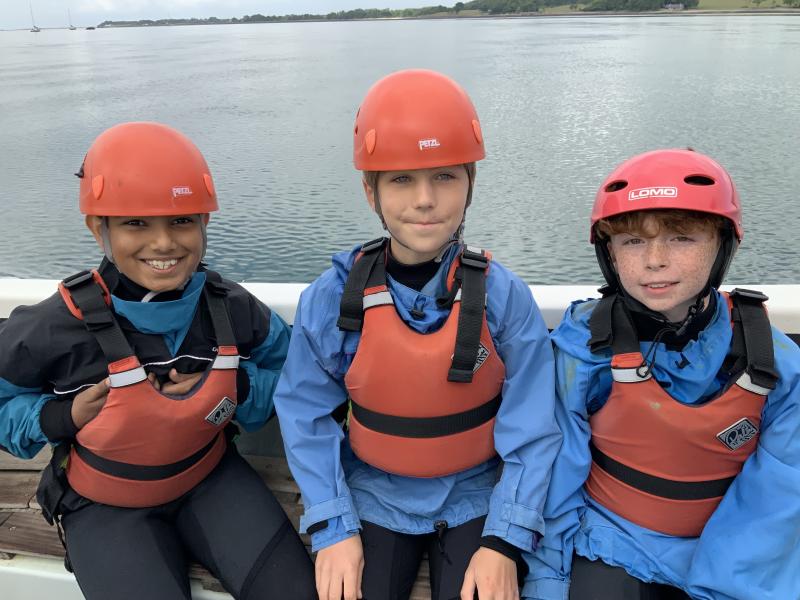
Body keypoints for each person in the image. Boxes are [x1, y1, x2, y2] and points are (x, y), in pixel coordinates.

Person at [273, 68, 561, 600]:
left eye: (445, 176)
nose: (425, 199)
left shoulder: (502, 296)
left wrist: (503, 541)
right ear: (371, 191)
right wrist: (334, 526)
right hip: (374, 493)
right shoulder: (334, 300)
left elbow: (534, 426)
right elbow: (304, 412)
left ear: (471, 184)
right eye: (401, 179)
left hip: (479, 495)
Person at [0, 122, 316, 600]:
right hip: (104, 503)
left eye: (182, 221)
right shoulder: (52, 326)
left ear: (204, 223)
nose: (164, 243)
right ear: (98, 228)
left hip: (212, 478)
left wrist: (238, 387)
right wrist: (63, 416)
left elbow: (298, 374)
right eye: (135, 223)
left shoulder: (230, 308)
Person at [523, 149, 800, 600]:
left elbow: (781, 493)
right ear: (609, 253)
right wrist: (547, 582)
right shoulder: (582, 351)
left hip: (736, 557)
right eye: (632, 241)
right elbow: (555, 477)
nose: (655, 259)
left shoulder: (775, 363)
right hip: (613, 540)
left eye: (682, 238)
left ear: (722, 245)